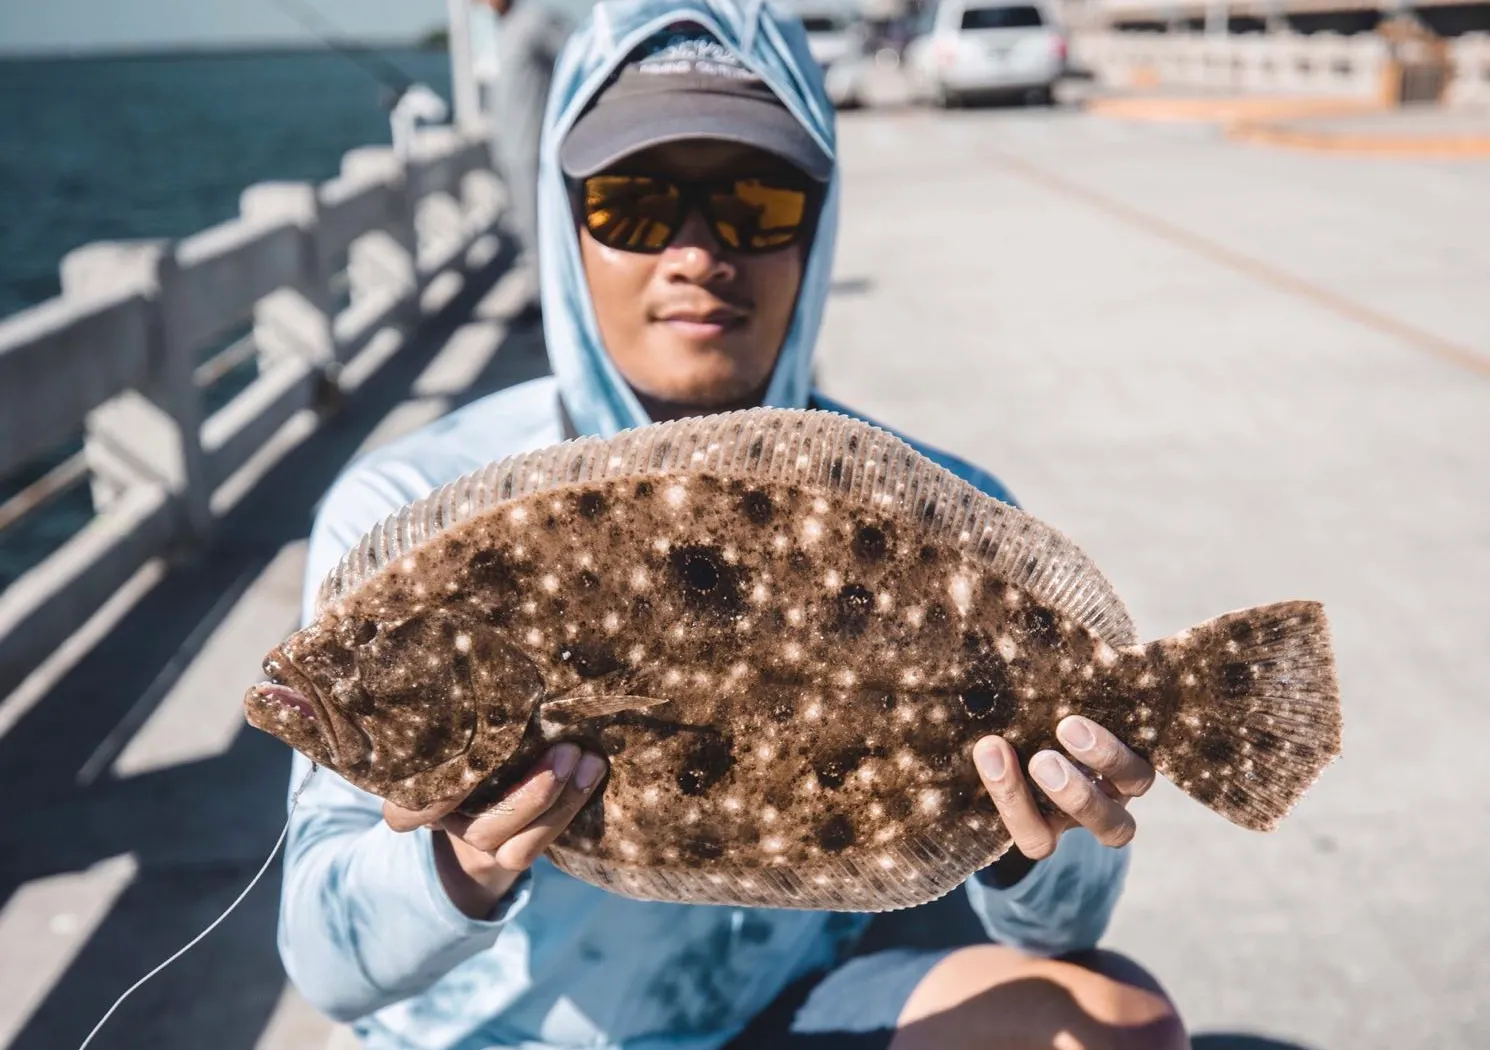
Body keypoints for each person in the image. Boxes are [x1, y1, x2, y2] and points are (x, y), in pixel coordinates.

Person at [279, 2, 1190, 1048]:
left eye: (756, 204)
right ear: (565, 215)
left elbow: (1061, 931)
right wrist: (457, 863)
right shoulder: (410, 513)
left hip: (788, 1008)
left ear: (818, 222)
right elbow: (325, 964)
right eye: (634, 204)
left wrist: (1047, 837)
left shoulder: (942, 518)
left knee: (1110, 1024)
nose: (697, 253)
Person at [475, 0, 591, 314]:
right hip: (510, 151)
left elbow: (582, 59)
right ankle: (542, 296)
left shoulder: (535, 22)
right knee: (525, 228)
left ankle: (551, 304)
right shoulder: (500, 30)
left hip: (533, 150)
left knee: (543, 229)